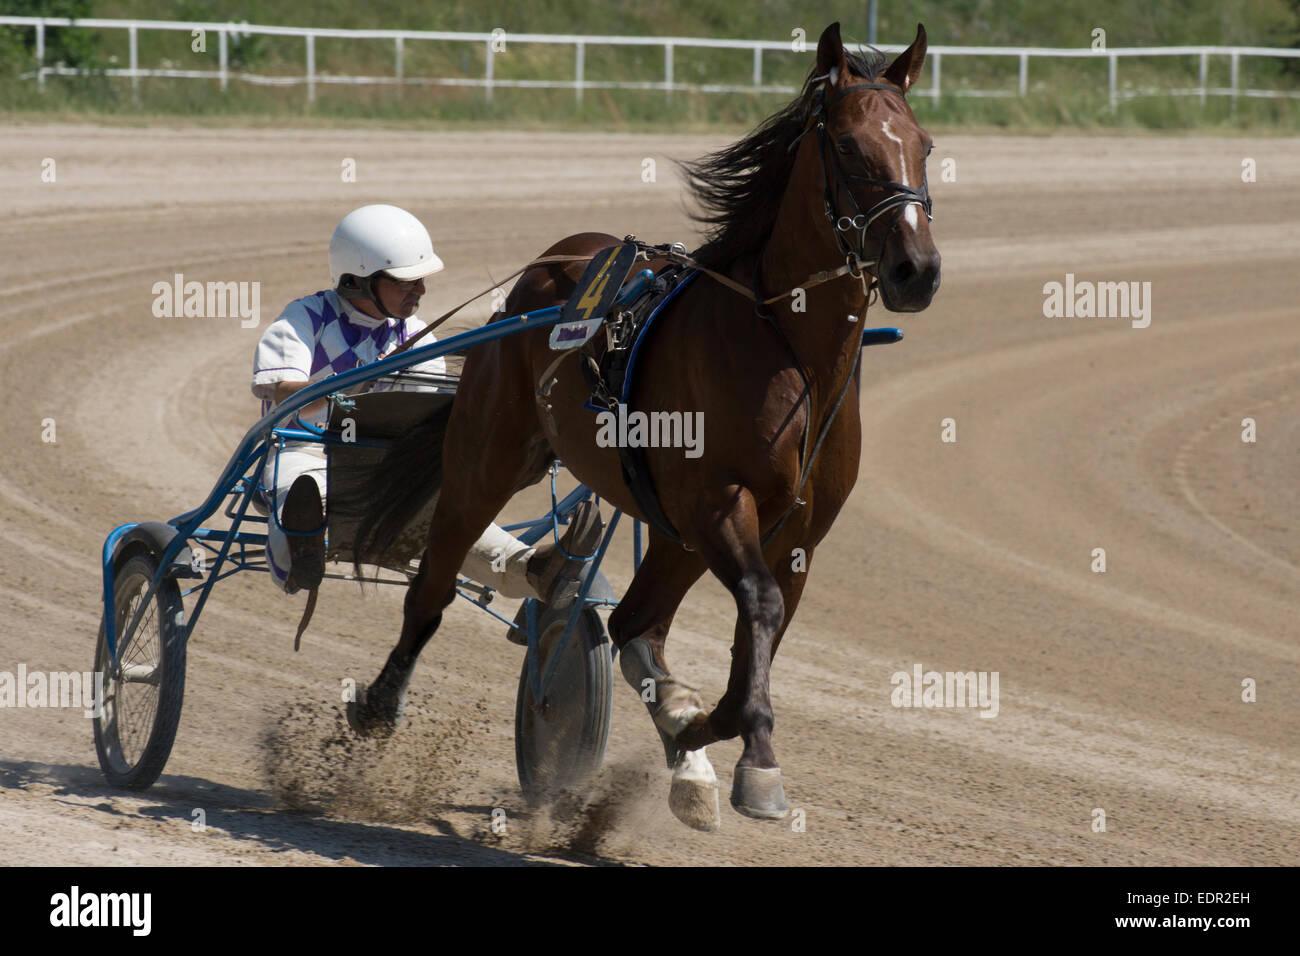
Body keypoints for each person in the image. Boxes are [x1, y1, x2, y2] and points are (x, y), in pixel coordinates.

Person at [250, 203, 599, 601]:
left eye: (419, 281)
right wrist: (348, 390)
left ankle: (533, 569)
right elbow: (282, 393)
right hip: (304, 449)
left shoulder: (417, 336)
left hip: (387, 464)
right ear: (359, 279)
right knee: (301, 486)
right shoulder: (306, 317)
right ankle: (301, 552)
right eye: (406, 282)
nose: (420, 291)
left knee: (453, 514)